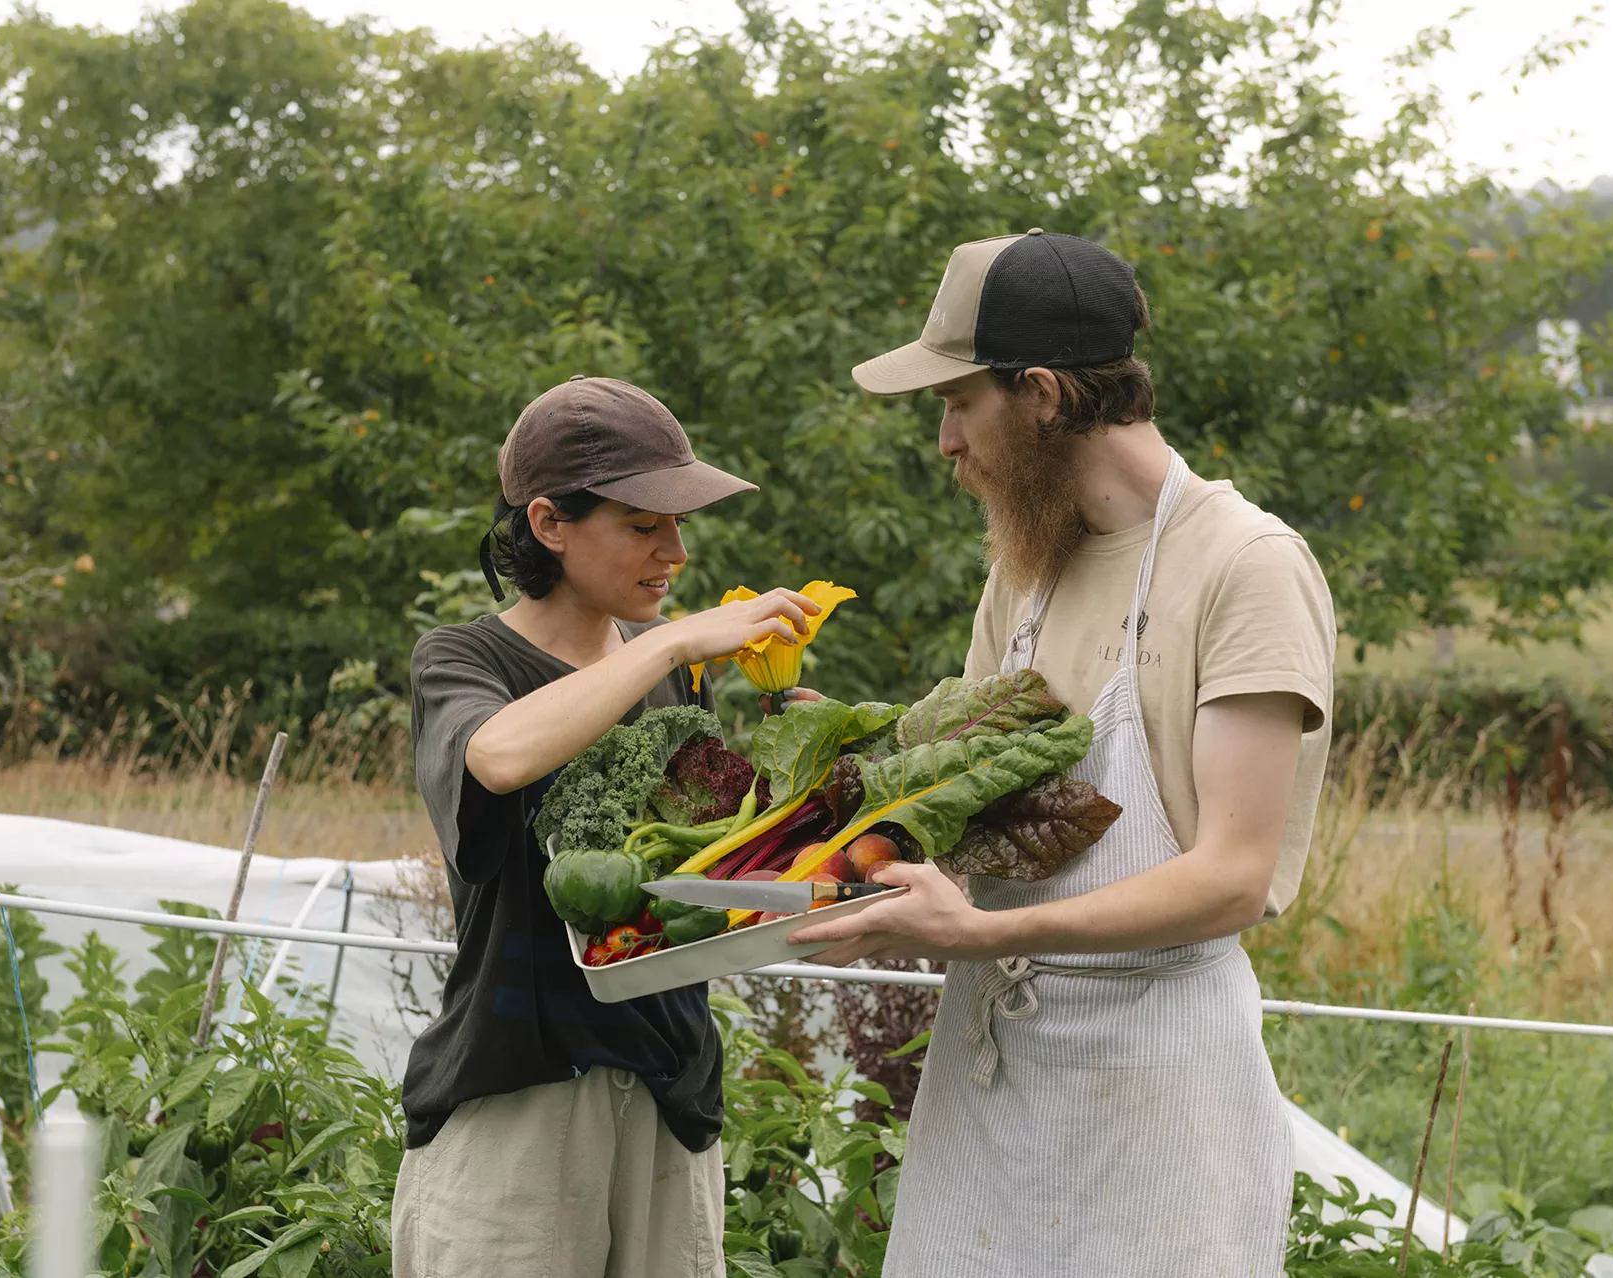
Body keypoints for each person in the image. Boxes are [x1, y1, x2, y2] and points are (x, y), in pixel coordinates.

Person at [790, 230, 1337, 1275]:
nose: (946, 441)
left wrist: (985, 935)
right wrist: (836, 813)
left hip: (1157, 1085)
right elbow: (961, 811)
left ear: (1040, 393)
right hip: (993, 1069)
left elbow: (1232, 878)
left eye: (958, 403)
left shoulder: (1244, 565)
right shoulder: (1030, 567)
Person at [392, 374, 820, 1278]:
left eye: (678, 525)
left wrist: (800, 781)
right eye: (643, 525)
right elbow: (498, 758)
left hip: (670, 1084)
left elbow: (696, 869)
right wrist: (670, 642)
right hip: (518, 1088)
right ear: (549, 524)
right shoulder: (464, 659)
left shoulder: (679, 675)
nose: (675, 552)